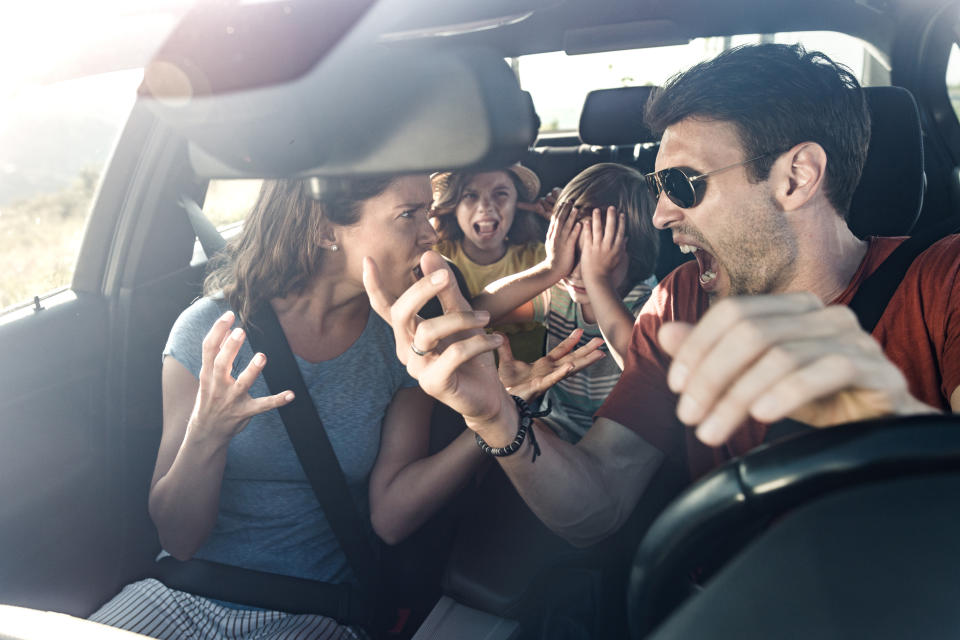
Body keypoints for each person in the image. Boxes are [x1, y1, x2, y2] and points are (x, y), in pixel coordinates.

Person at [363, 43, 960, 549]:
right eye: (656, 186)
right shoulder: (682, 303)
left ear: (796, 177)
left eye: (681, 184)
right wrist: (494, 414)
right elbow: (598, 503)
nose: (660, 215)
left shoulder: (943, 285)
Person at [88, 175, 497, 639]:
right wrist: (206, 434)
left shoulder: (398, 345)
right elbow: (178, 541)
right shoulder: (210, 329)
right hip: (180, 595)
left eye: (429, 213)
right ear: (326, 230)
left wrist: (493, 423)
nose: (431, 233)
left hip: (313, 610)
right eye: (408, 215)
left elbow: (391, 518)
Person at [472, 163, 659, 442]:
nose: (577, 271)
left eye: (595, 255)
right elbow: (478, 312)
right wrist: (550, 269)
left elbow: (642, 369)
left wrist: (599, 281)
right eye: (569, 250)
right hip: (555, 425)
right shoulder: (558, 293)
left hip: (621, 436)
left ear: (636, 251)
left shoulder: (645, 303)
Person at [430, 164, 559, 363]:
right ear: (452, 207)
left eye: (500, 194)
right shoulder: (435, 257)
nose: (486, 207)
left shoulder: (542, 258)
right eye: (470, 196)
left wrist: (562, 217)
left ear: (518, 204)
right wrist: (426, 213)